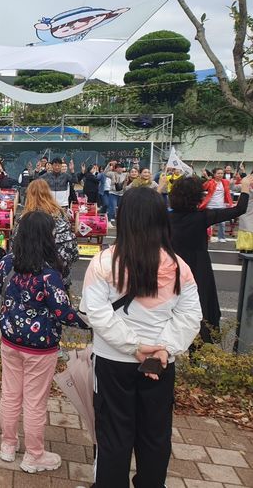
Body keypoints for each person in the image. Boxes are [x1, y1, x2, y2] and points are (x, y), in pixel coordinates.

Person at [79, 187, 202, 487]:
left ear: (123, 220)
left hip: (112, 363)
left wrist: (133, 346)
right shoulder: (178, 267)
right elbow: (190, 316)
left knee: (113, 436)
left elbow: (94, 313)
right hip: (159, 365)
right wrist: (165, 348)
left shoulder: (104, 263)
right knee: (155, 437)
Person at [0, 211, 87, 472]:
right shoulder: (49, 274)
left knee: (10, 394)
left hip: (10, 340)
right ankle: (34, 455)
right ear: (47, 237)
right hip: (40, 346)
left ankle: (8, 446)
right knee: (35, 401)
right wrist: (87, 322)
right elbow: (64, 312)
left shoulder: (7, 263)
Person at [168, 175, 251, 342]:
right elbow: (239, 209)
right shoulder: (203, 216)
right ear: (197, 196)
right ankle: (198, 347)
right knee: (201, 304)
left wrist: (160, 188)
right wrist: (244, 188)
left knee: (170, 301)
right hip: (199, 265)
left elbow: (148, 209)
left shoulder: (166, 217)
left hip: (171, 264)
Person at [15, 179, 79, 289]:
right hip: (58, 277)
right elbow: (71, 250)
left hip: (29, 277)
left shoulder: (24, 219)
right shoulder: (61, 215)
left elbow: (15, 246)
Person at [200, 167, 233, 242]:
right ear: (214, 174)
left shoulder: (225, 182)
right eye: (218, 173)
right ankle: (207, 237)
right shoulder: (211, 181)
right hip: (210, 205)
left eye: (222, 173)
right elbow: (203, 187)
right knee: (208, 223)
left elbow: (228, 192)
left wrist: (229, 203)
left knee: (222, 223)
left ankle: (221, 237)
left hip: (221, 205)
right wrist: (207, 178)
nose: (220, 175)